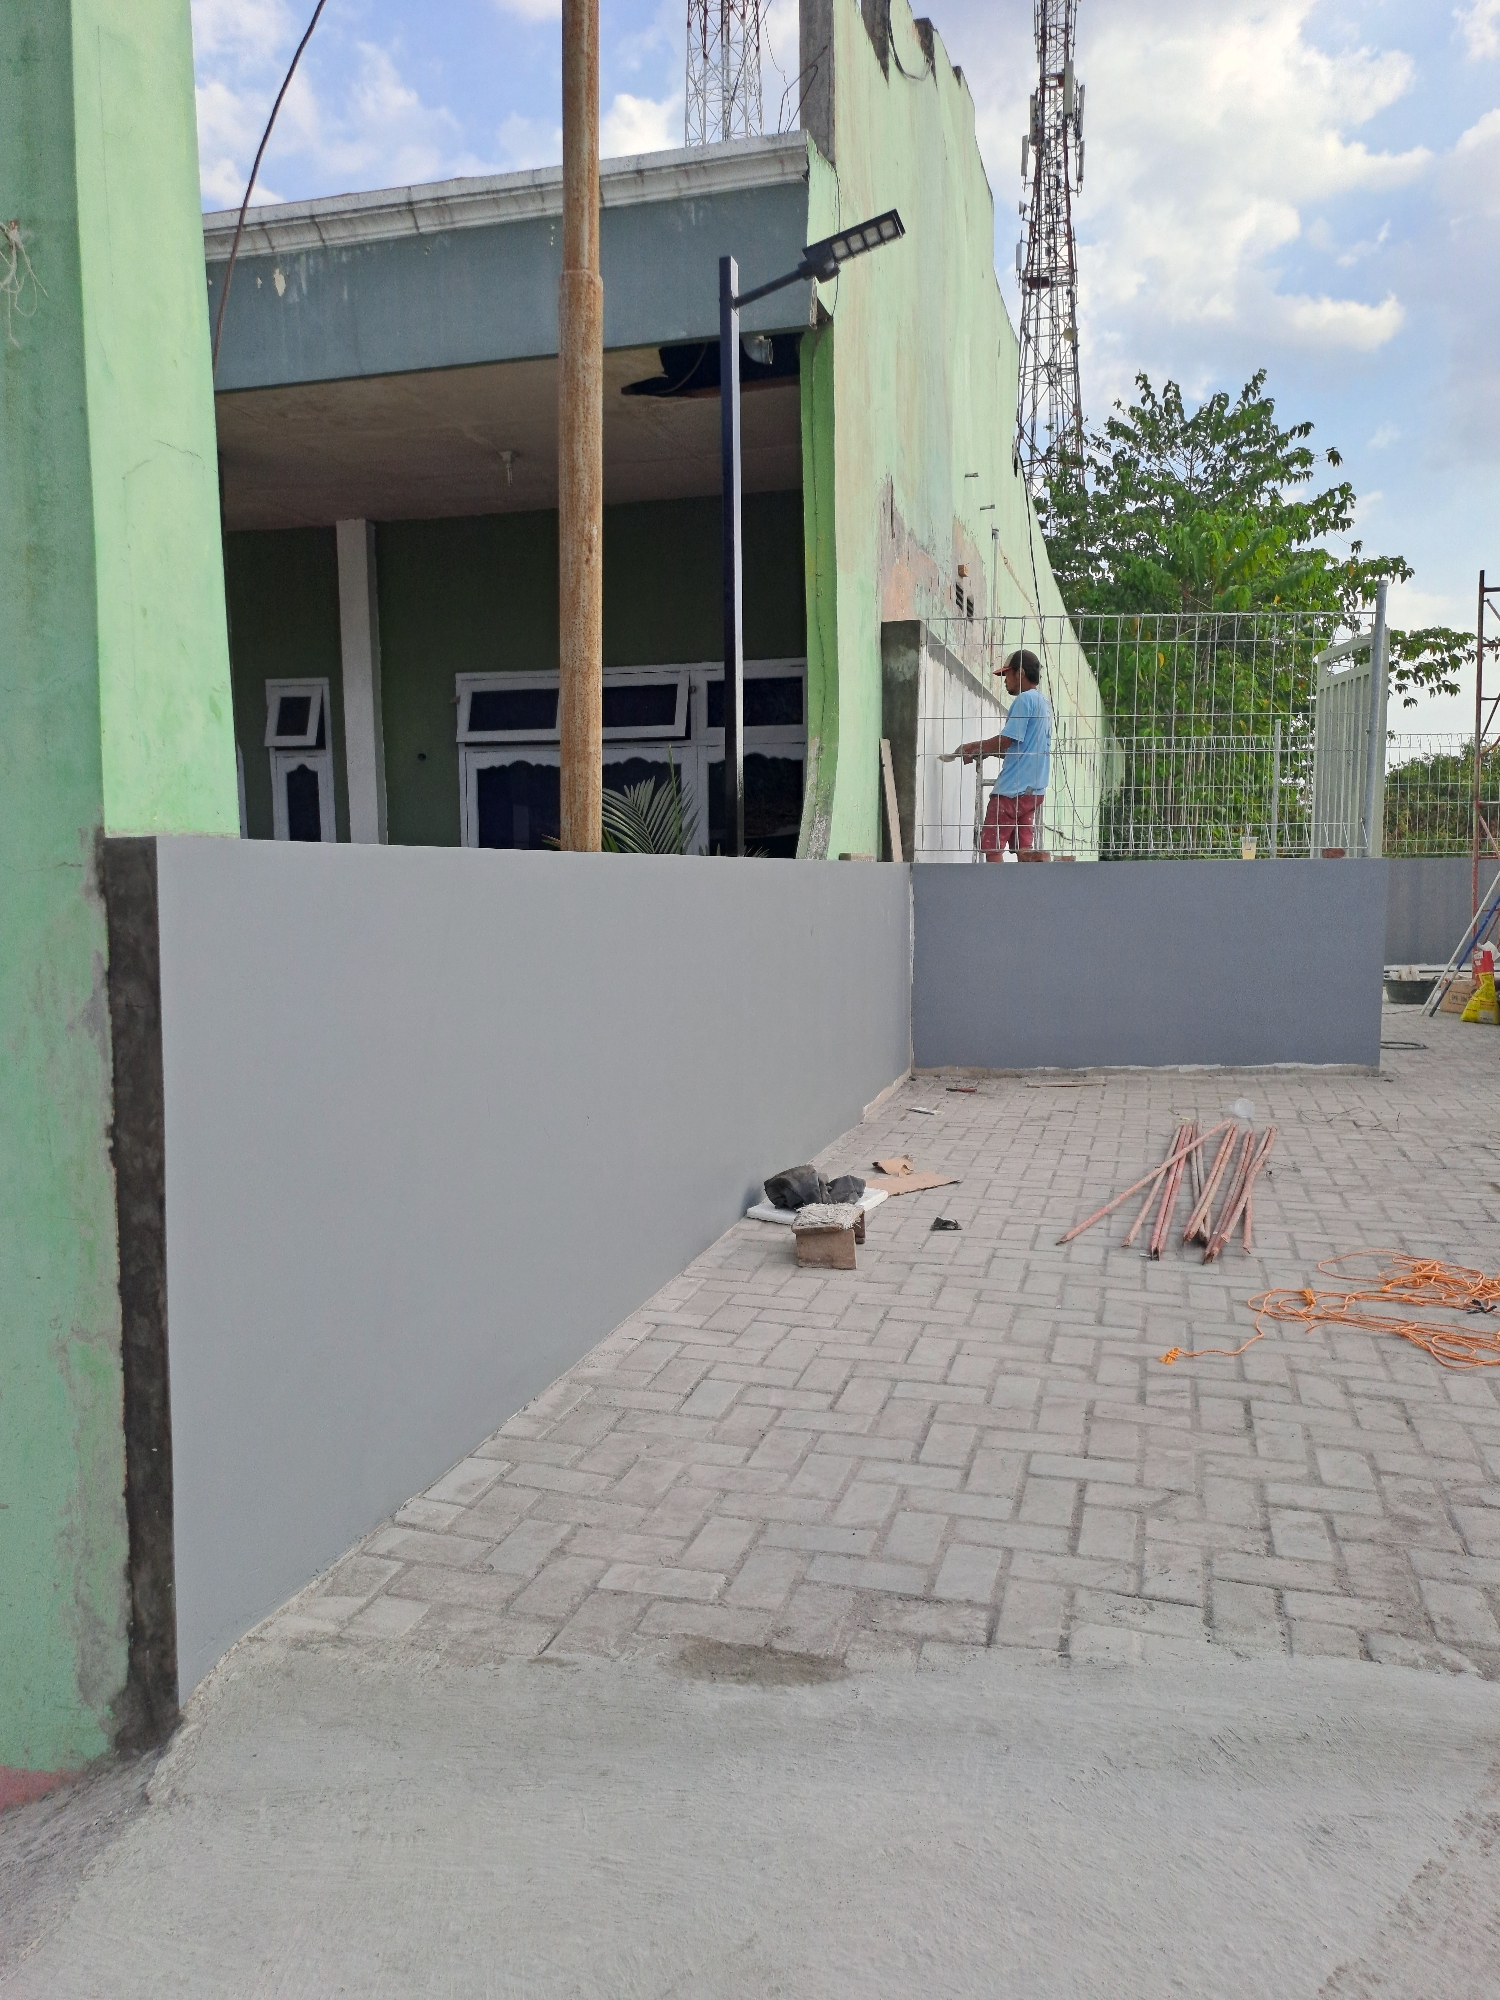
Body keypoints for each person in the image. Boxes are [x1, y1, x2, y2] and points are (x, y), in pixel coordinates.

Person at [957, 649, 1053, 859]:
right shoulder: (1044, 704)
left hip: (1012, 790)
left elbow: (1006, 740)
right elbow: (1023, 747)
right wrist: (988, 752)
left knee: (991, 847)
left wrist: (973, 747)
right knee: (1024, 849)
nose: (1005, 680)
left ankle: (997, 883)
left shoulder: (1024, 700)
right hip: (1034, 791)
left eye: (1007, 674)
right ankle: (1037, 868)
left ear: (1020, 673)